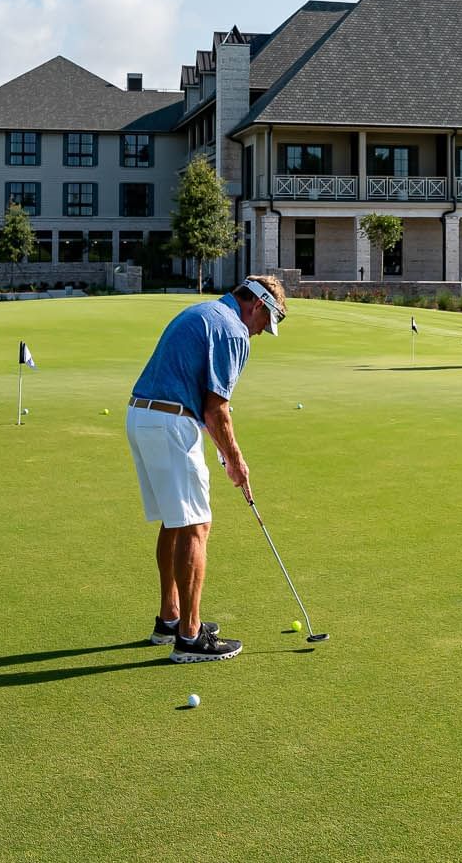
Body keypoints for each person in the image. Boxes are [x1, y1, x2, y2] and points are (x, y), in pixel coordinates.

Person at [125, 274, 286, 663]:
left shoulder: (204, 311)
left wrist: (221, 449)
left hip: (141, 415)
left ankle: (170, 618)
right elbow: (216, 408)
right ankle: (190, 637)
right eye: (266, 322)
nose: (263, 332)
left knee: (175, 521)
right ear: (257, 306)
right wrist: (236, 461)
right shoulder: (234, 331)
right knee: (197, 526)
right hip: (171, 422)